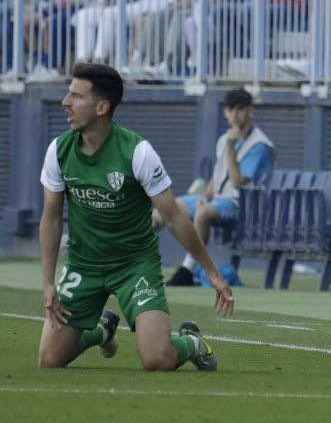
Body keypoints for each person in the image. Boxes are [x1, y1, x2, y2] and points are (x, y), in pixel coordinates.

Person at [38, 63, 234, 370]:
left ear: (102, 107)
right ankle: (102, 331)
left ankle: (192, 342)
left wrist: (212, 272)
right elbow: (50, 219)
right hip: (83, 264)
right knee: (49, 360)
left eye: (76, 96)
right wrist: (48, 282)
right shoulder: (58, 151)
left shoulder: (137, 152)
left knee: (157, 360)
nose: (65, 101)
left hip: (134, 265)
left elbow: (173, 216)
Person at [165, 88, 275, 286]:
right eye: (230, 109)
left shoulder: (261, 145)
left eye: (240, 109)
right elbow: (217, 176)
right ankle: (134, 264)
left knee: (202, 214)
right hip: (217, 200)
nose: (234, 115)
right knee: (166, 208)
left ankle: (187, 270)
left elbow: (236, 182)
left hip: (241, 206)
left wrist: (232, 148)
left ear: (251, 111)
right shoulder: (224, 139)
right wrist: (205, 196)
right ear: (225, 112)